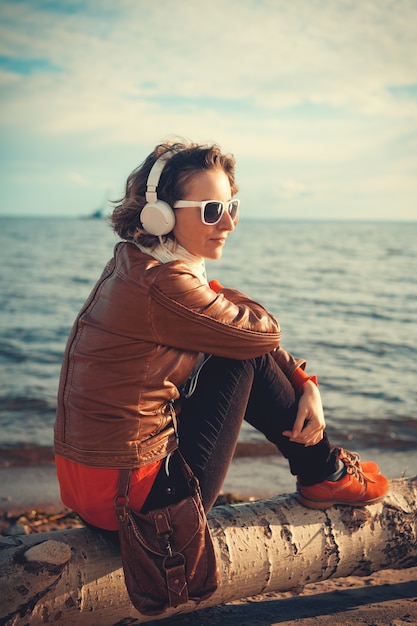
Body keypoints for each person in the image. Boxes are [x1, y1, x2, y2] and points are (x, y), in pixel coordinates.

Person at [54, 139, 388, 541]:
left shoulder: (137, 264)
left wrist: (305, 383)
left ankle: (325, 470)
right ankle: (325, 472)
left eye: (232, 208)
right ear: (159, 214)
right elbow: (262, 332)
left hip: (99, 495)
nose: (228, 224)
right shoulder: (165, 285)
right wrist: (303, 383)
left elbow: (238, 331)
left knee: (234, 349)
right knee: (239, 357)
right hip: (136, 503)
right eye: (212, 211)